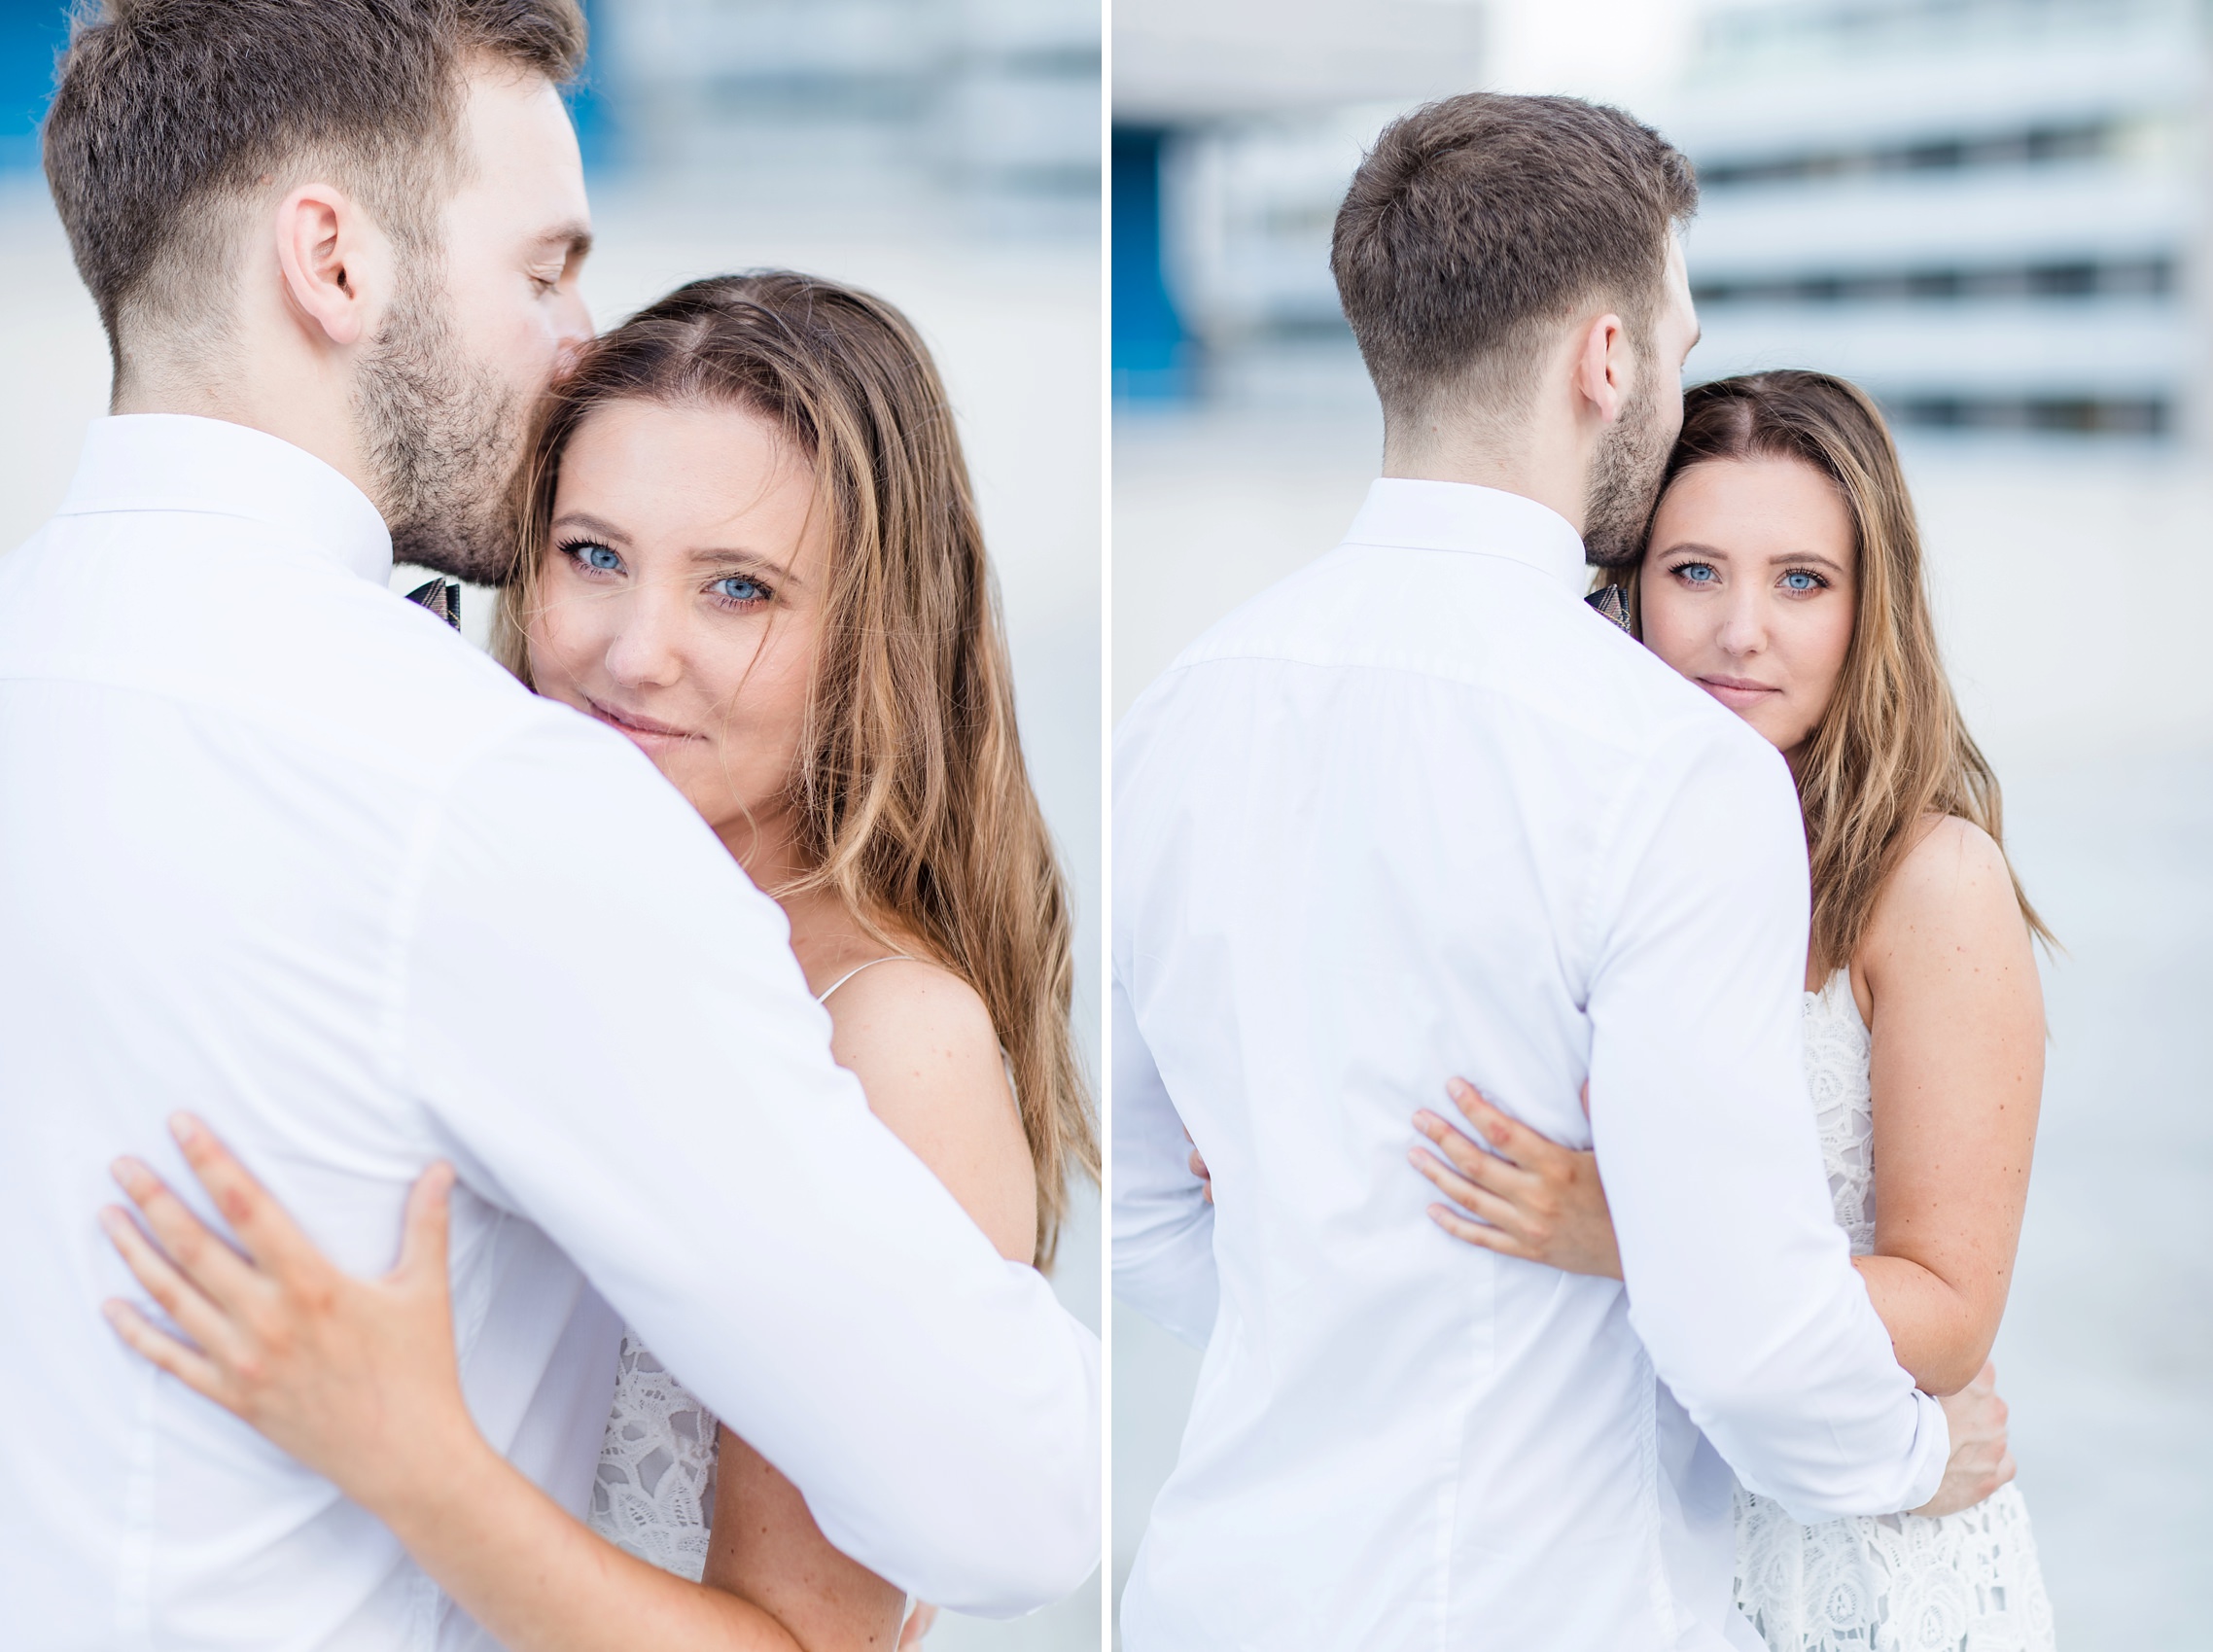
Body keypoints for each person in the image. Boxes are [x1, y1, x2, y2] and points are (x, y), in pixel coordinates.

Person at [0, 4, 1097, 1645]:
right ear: (335, 264)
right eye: (541, 269)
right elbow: (1031, 1497)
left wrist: (416, 1458)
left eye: (737, 587)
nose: (576, 339)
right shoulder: (475, 791)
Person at [1111, 93, 1992, 1650]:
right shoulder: (1675, 770)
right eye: (1675, 337)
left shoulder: (1184, 705)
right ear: (1608, 361)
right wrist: (1918, 1461)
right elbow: (1746, 1329)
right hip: (1543, 1605)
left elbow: (1128, 1207)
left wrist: (1347, 1311)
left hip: (1220, 1595)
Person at [1407, 370, 2055, 1651]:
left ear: (1871, 610)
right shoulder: (1570, 856)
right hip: (1600, 1542)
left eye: (1801, 580)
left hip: (1852, 1572)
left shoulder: (1933, 886)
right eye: (1696, 572)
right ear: (1630, 589)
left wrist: (1634, 1230)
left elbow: (1946, 1317)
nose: (1741, 630)